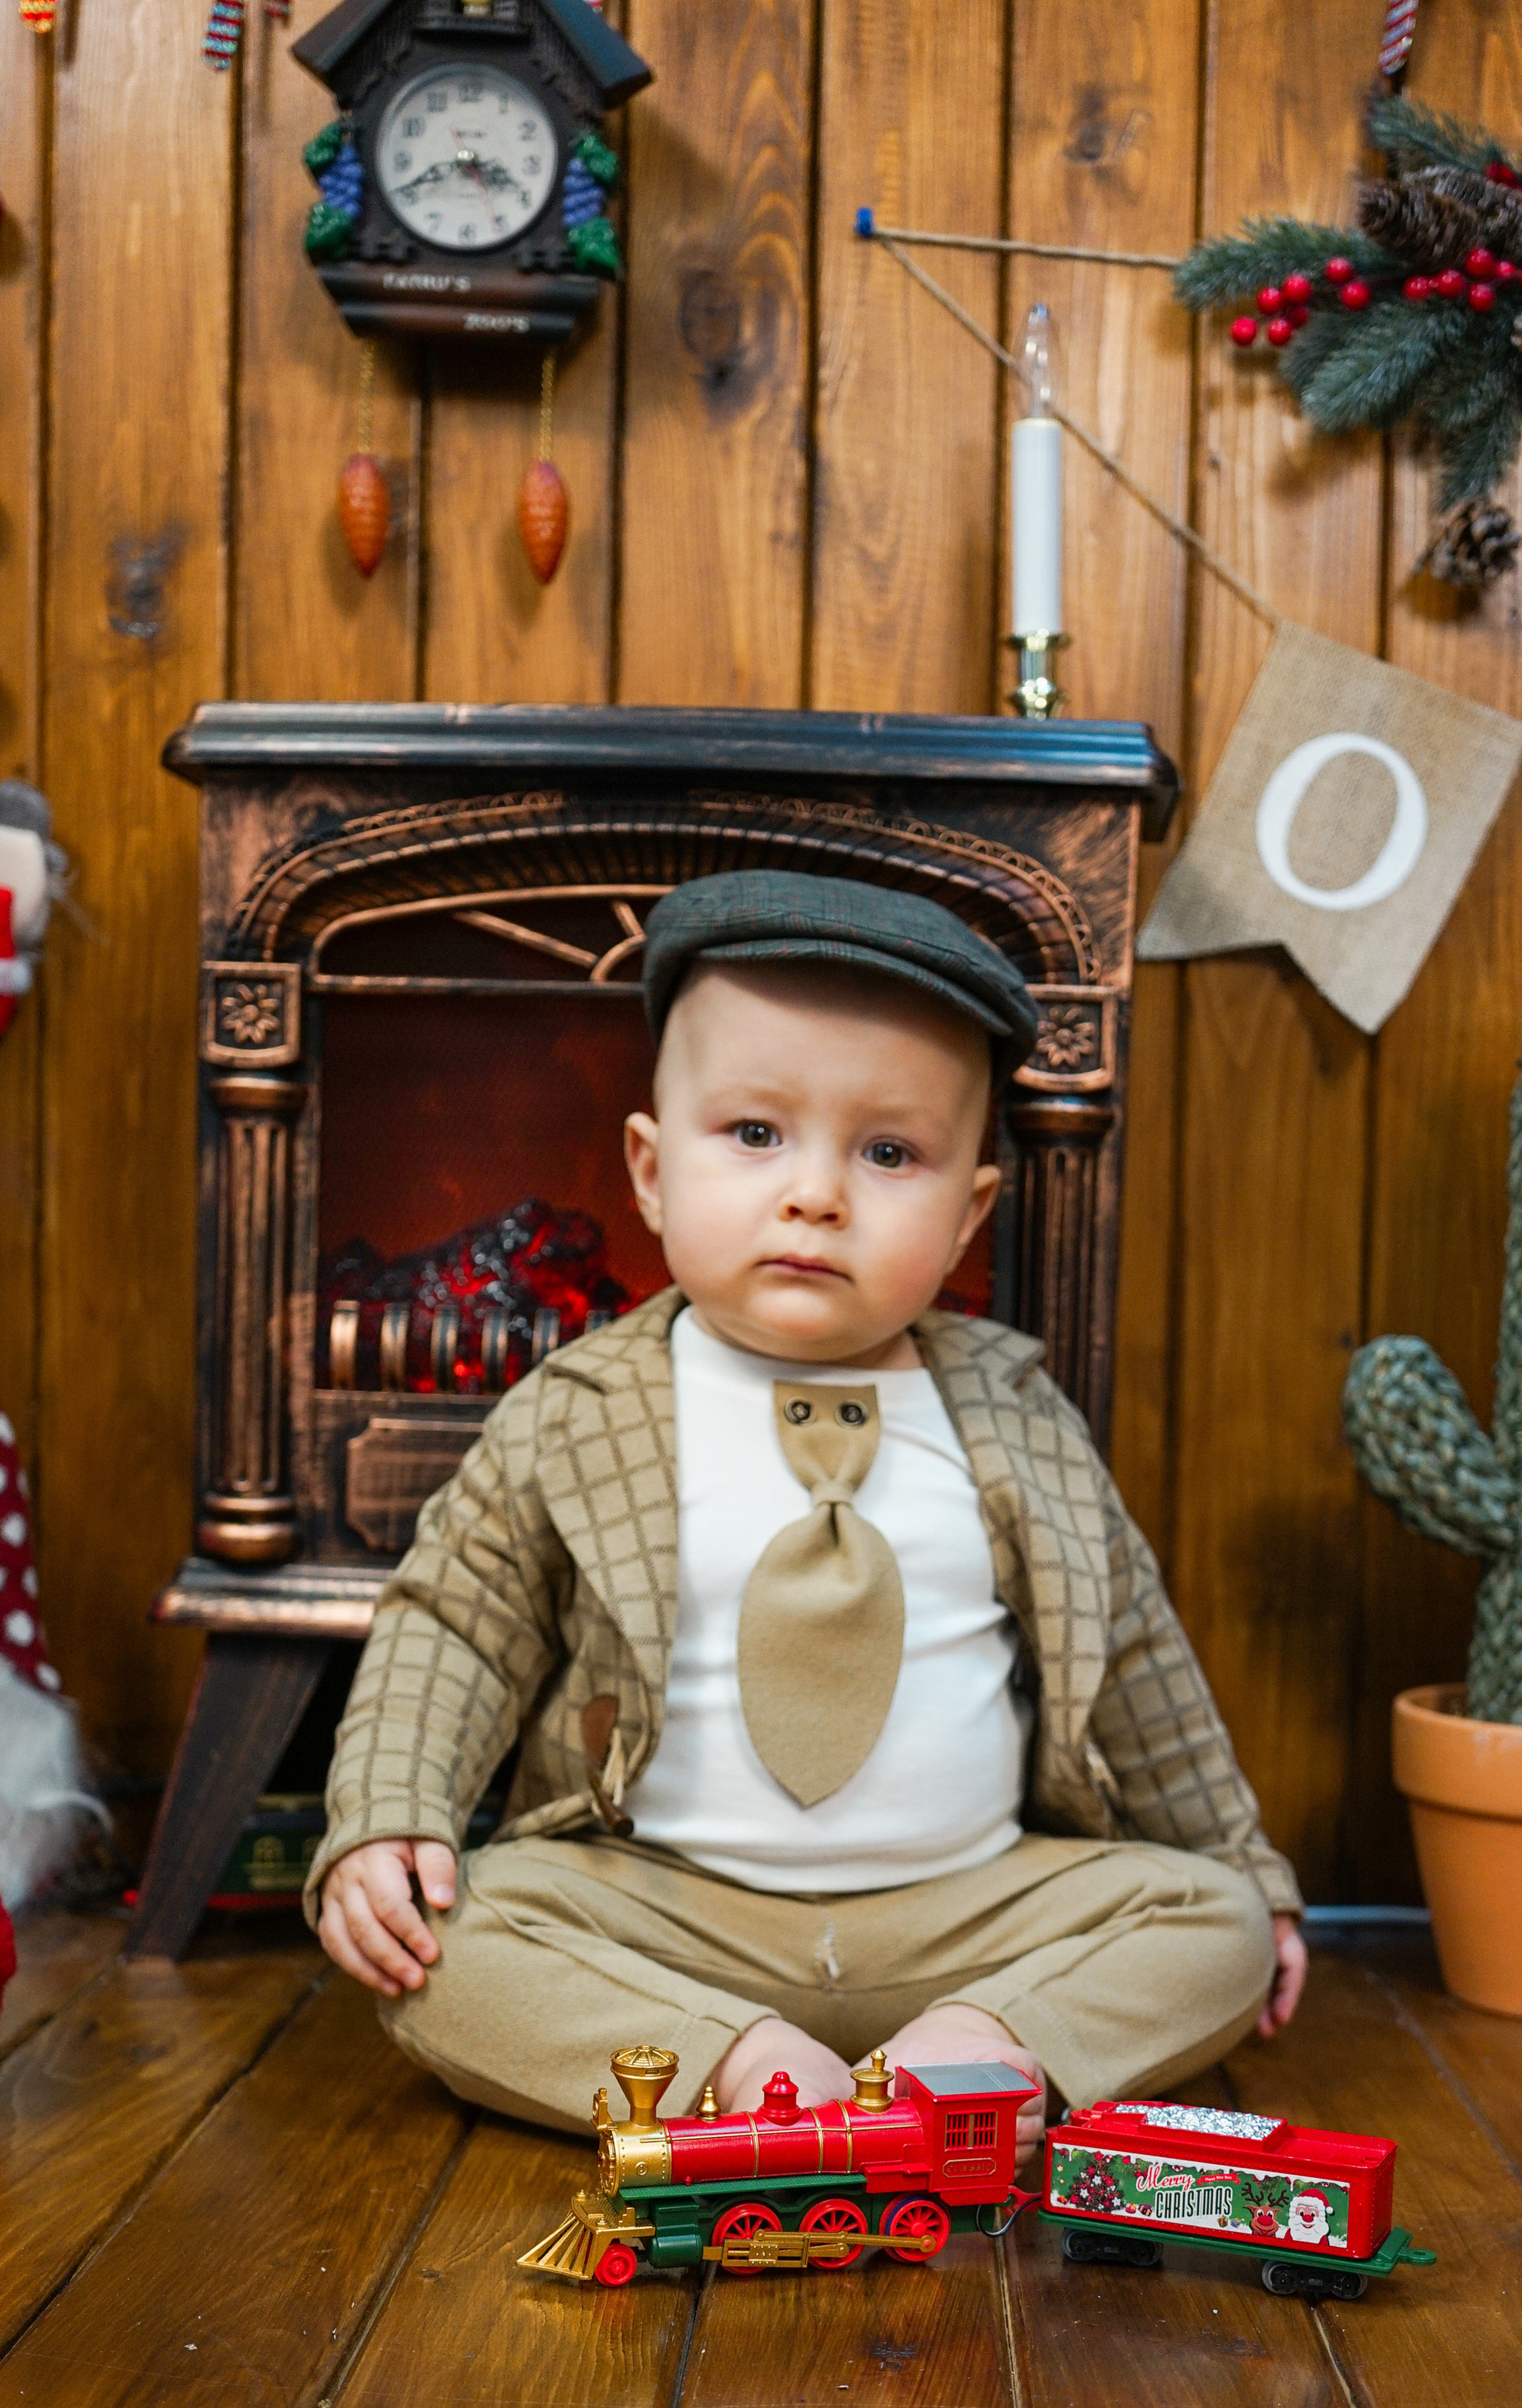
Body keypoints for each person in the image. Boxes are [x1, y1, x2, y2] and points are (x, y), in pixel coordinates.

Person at [307, 872, 1305, 2158]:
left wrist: (1248, 1871)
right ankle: (739, 2063)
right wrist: (393, 1816)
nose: (818, 1194)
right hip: (667, 1912)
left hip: (968, 1913)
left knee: (1209, 1922)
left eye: (889, 1154)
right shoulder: (581, 1408)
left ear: (967, 1218)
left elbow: (1140, 1668)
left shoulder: (1014, 1420)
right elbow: (455, 1624)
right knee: (443, 1943)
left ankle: (979, 2047)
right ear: (652, 1173)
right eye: (756, 1134)